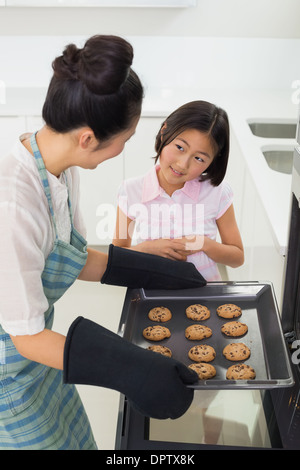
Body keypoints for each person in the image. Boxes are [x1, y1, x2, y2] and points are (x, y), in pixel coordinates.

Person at [0, 35, 206, 450]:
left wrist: (142, 263)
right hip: (10, 378)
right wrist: (134, 370)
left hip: (42, 364)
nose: (124, 148)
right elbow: (26, 336)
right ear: (89, 138)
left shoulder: (57, 168)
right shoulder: (12, 205)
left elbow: (67, 256)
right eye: (125, 140)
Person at [113, 100, 244, 281]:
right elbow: (117, 257)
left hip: (205, 296)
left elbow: (237, 258)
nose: (183, 164)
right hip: (151, 294)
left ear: (212, 161)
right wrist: (148, 249)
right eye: (180, 147)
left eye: (199, 158)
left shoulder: (217, 192)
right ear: (164, 131)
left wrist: (203, 243)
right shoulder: (130, 190)